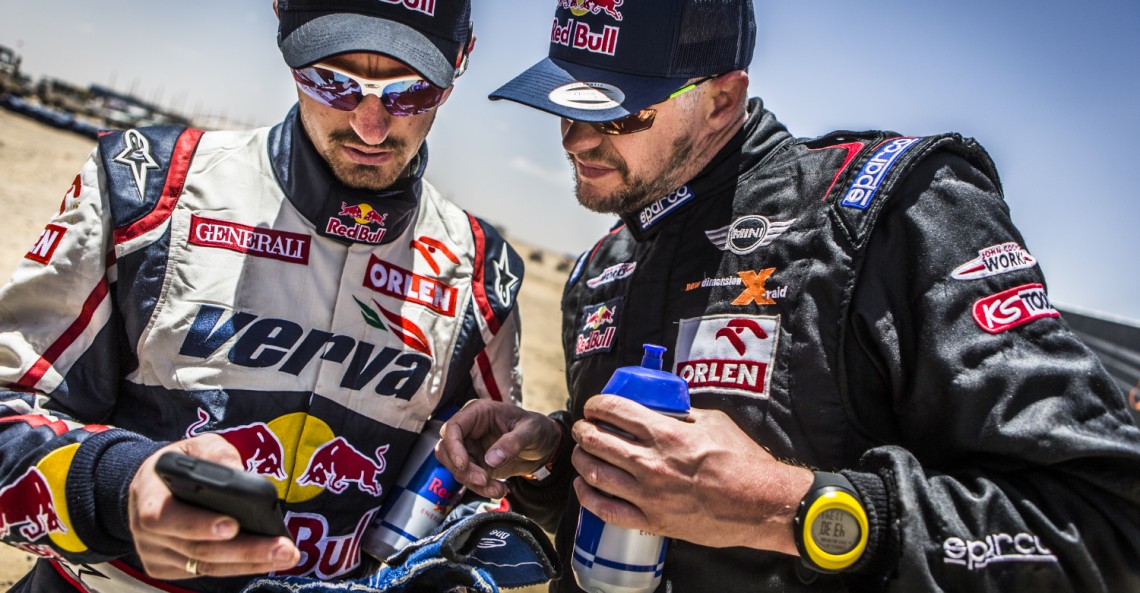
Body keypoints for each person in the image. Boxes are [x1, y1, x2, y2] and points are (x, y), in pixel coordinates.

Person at [434, 0, 1140, 591]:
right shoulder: (601, 266)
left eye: (618, 116)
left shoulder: (892, 212)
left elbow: (1108, 528)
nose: (575, 140)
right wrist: (551, 457)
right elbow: (626, 519)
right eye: (560, 104)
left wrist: (787, 508)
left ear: (721, 100)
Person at [0, 0, 526, 591]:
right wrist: (121, 486)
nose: (370, 126)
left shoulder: (482, 270)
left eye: (412, 92)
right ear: (282, 21)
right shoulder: (148, 193)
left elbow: (484, 484)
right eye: (332, 81)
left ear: (462, 60)